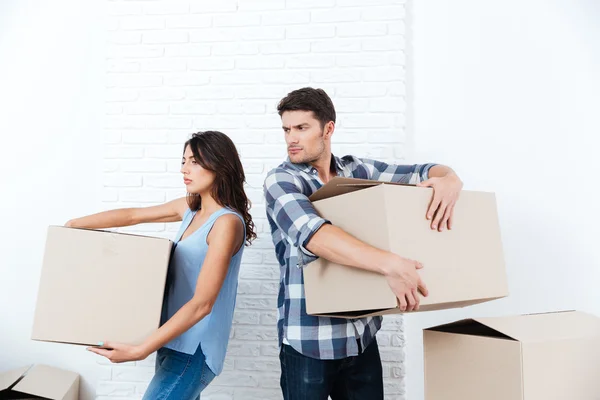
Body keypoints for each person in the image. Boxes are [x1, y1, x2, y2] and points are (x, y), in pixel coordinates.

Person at [263, 87, 464, 399]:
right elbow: (316, 236)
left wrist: (450, 179)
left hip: (361, 337)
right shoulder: (282, 180)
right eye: (287, 129)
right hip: (309, 342)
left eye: (302, 128)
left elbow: (422, 172)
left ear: (328, 128)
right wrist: (392, 264)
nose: (292, 138)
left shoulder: (358, 171)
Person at [67, 131, 256, 399]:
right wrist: (74, 225)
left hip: (195, 349)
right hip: (172, 340)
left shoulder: (226, 223)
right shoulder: (190, 209)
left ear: (219, 164)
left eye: (194, 162)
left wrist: (140, 349)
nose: (184, 169)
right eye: (183, 161)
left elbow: (203, 303)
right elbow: (133, 216)